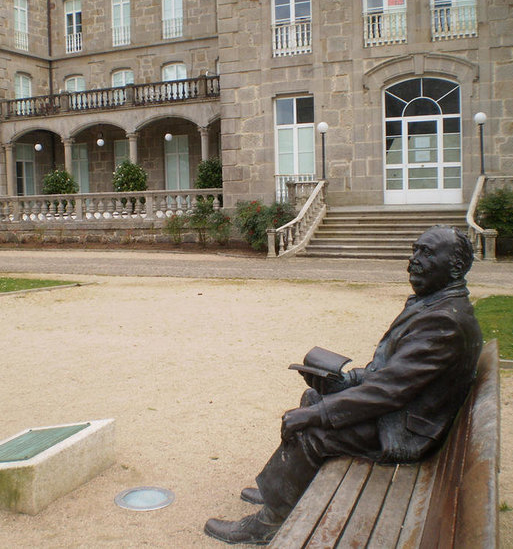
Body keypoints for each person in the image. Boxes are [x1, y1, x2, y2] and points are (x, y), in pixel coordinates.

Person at [204, 225, 483, 545]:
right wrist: (345, 381)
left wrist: (318, 415)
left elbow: (389, 391)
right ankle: (281, 491)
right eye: (415, 249)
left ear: (457, 266)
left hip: (405, 430)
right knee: (313, 396)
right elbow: (394, 375)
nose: (413, 260)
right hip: (404, 410)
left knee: (312, 430)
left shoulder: (445, 321)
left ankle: (265, 525)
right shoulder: (438, 303)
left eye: (427, 252)